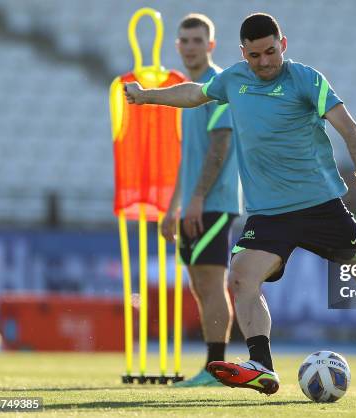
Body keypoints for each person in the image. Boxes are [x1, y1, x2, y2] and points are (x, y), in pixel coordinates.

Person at [125, 13, 356, 395]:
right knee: (240, 276)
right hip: (270, 214)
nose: (265, 62)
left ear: (282, 44)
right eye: (255, 55)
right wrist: (147, 96)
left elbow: (350, 129)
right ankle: (262, 367)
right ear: (244, 53)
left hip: (320, 206)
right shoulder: (234, 79)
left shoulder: (306, 79)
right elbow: (193, 94)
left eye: (271, 52)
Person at [159, 14, 239, 387]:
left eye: (197, 40)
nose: (190, 46)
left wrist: (196, 199)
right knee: (201, 286)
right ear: (177, 46)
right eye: (184, 41)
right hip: (195, 202)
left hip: (214, 202)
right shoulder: (189, 89)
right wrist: (173, 205)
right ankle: (214, 367)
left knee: (211, 284)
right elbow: (188, 157)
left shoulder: (218, 85)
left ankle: (216, 370)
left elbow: (219, 149)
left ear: (210, 45)